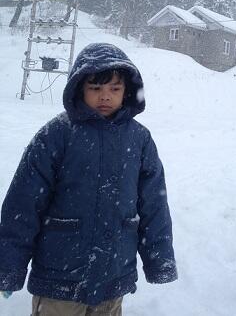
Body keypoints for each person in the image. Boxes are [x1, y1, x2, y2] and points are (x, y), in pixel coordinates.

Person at [0, 43, 177, 315]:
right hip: (60, 279)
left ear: (126, 91)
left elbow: (154, 204)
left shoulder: (139, 139)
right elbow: (23, 206)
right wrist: (9, 266)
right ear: (79, 88)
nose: (105, 96)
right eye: (95, 88)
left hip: (113, 279)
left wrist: (160, 258)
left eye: (114, 89)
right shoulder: (57, 135)